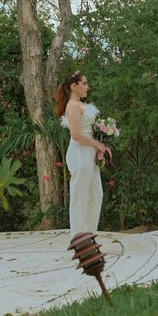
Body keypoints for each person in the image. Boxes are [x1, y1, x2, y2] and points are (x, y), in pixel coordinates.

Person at [54, 71, 112, 237]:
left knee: (96, 195)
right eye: (84, 83)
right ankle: (79, 240)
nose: (88, 87)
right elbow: (77, 135)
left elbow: (89, 132)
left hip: (89, 154)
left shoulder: (81, 105)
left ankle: (89, 235)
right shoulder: (72, 106)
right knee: (80, 198)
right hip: (79, 154)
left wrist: (98, 149)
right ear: (74, 86)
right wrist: (98, 144)